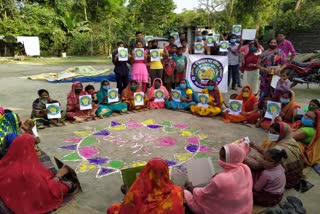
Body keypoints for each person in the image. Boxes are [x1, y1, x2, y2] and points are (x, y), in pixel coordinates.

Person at [0, 134, 79, 213]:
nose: (36, 148)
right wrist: (58, 176)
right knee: (67, 185)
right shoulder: (28, 171)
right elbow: (45, 190)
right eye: (33, 146)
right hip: (22, 202)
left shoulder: (4, 162)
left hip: (7, 195)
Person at [184, 143, 253, 214]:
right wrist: (220, 177)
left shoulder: (221, 179)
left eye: (221, 157)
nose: (219, 159)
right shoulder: (245, 168)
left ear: (228, 159)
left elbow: (203, 194)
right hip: (245, 210)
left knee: (185, 193)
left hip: (226, 211)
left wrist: (190, 187)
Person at [107, 158, 184, 214]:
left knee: (112, 209)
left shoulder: (137, 194)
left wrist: (128, 194)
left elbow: (126, 210)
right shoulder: (177, 191)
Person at [246, 122, 303, 188]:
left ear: (282, 133)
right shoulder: (290, 140)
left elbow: (259, 166)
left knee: (247, 169)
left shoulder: (279, 149)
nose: (271, 135)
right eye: (270, 132)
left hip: (287, 179)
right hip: (295, 175)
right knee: (256, 156)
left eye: (274, 133)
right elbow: (269, 154)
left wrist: (244, 158)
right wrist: (254, 146)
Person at [257, 38, 287, 108]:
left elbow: (285, 63)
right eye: (271, 42)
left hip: (276, 76)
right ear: (268, 43)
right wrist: (265, 69)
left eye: (274, 43)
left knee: (275, 92)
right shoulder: (264, 53)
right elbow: (257, 64)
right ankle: (262, 107)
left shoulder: (280, 52)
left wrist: (280, 69)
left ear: (277, 44)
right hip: (265, 77)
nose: (273, 44)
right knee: (264, 92)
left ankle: (274, 108)